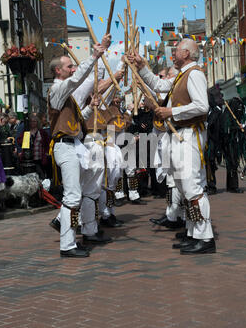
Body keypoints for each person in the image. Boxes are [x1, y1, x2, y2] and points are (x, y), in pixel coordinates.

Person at [129, 38, 215, 254]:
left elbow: (202, 106)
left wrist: (171, 112)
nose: (172, 54)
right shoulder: (181, 75)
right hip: (179, 135)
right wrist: (142, 66)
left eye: (176, 51)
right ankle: (193, 231)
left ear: (186, 53)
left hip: (189, 134)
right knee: (184, 186)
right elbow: (159, 85)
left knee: (192, 185)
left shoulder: (194, 73)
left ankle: (205, 237)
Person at [48, 33, 111, 258]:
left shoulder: (67, 97)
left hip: (74, 144)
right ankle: (67, 245)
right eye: (69, 66)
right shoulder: (57, 89)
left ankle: (84, 230)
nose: (73, 69)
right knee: (72, 195)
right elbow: (77, 81)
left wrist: (90, 107)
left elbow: (76, 121)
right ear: (58, 71)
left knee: (88, 185)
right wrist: (94, 55)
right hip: (65, 147)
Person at [17, 114, 51, 179]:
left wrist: (46, 153)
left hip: (40, 158)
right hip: (29, 159)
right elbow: (19, 141)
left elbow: (47, 143)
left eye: (34, 121)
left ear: (37, 122)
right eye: (31, 121)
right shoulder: (26, 132)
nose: (32, 123)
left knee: (41, 176)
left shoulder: (42, 132)